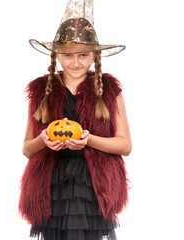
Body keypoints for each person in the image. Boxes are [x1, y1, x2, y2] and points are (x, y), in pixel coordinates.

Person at [19, 1, 131, 239]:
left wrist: (89, 140)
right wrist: (42, 139)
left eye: (83, 54)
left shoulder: (109, 91)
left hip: (92, 186)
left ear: (94, 56)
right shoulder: (41, 91)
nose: (76, 62)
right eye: (68, 55)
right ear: (57, 55)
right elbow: (27, 149)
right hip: (52, 188)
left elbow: (124, 145)